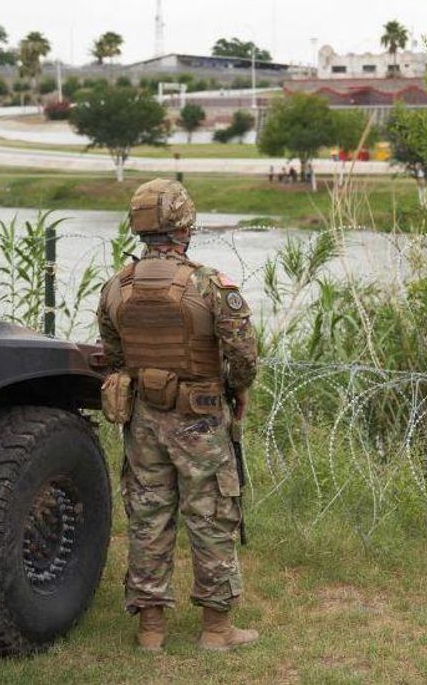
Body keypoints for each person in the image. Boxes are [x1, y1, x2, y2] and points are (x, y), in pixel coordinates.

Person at [97, 178, 260, 653]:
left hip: (144, 419)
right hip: (200, 418)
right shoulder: (210, 284)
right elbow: (243, 354)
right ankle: (216, 630)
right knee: (211, 516)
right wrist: (239, 391)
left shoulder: (116, 287)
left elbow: (113, 355)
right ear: (185, 226)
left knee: (148, 517)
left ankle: (151, 631)